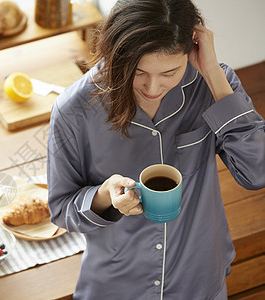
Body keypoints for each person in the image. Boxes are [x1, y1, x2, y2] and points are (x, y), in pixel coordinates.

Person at [46, 0, 265, 299]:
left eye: (169, 72)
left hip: (198, 276)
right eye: (138, 72)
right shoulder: (75, 109)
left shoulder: (212, 87)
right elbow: (61, 208)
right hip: (117, 284)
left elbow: (257, 171)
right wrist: (104, 196)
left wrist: (214, 73)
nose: (152, 87)